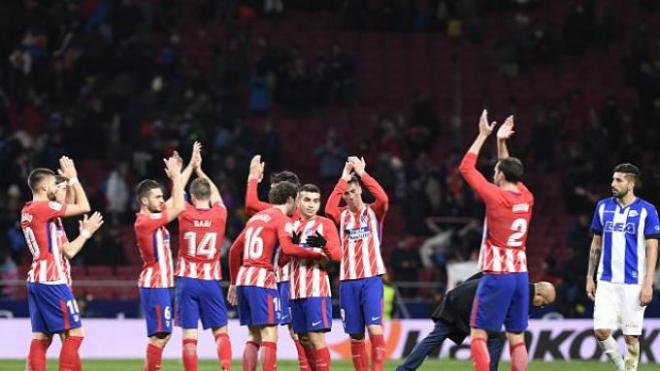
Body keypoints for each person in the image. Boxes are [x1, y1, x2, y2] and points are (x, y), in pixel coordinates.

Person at [458, 112, 534, 371]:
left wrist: (483, 135)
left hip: (497, 275)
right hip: (520, 275)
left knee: (479, 332)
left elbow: (466, 168)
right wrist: (502, 143)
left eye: (495, 171)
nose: (493, 173)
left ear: (500, 176)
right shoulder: (527, 196)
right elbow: (510, 168)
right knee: (517, 336)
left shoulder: (495, 196)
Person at [227, 181, 328, 371]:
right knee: (269, 334)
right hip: (262, 279)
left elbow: (234, 250)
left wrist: (233, 282)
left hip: (243, 280)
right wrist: (317, 254)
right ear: (290, 199)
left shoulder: (255, 219)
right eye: (297, 200)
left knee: (254, 336)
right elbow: (289, 249)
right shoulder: (282, 220)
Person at [21, 156, 103, 371]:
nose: (60, 188)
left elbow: (69, 251)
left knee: (42, 337)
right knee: (75, 334)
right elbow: (84, 205)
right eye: (55, 184)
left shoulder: (34, 212)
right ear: (45, 186)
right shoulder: (43, 209)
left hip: (37, 279)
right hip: (51, 279)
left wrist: (85, 233)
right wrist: (74, 179)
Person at [396, 275, 556, 371]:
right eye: (544, 302)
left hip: (459, 296)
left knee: (434, 338)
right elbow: (514, 331)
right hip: (470, 303)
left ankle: (404, 370)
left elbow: (481, 274)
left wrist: (465, 290)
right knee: (496, 338)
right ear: (539, 293)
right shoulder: (524, 296)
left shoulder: (516, 279)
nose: (541, 306)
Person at [586, 163, 660, 371]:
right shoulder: (602, 206)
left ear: (631, 183)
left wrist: (648, 284)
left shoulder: (647, 210)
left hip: (634, 282)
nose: (613, 184)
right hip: (606, 280)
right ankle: (622, 367)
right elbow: (596, 244)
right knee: (601, 331)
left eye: (618, 180)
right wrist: (589, 277)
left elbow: (652, 248)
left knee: (631, 337)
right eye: (612, 179)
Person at [245, 154, 311, 370]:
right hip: (275, 279)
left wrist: (253, 178)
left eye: (276, 189)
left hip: (290, 279)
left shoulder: (289, 215)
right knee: (292, 332)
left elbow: (251, 203)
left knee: (293, 331)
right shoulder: (286, 214)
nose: (273, 194)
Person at [325, 156, 389, 371]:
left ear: (360, 190)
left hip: (371, 278)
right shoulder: (341, 215)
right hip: (347, 281)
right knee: (355, 334)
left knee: (374, 327)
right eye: (346, 194)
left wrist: (362, 173)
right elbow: (328, 209)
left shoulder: (374, 212)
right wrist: (342, 179)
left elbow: (383, 198)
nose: (350, 197)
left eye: (353, 191)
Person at [174, 143, 232, 371]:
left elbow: (178, 191)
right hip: (210, 281)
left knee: (189, 337)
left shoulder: (183, 211)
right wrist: (200, 170)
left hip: (186, 281)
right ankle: (226, 367)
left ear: (193, 196)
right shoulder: (220, 214)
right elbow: (217, 196)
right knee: (221, 332)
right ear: (208, 194)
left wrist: (187, 167)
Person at [134, 149, 188, 371]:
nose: (161, 199)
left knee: (163, 337)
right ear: (145, 200)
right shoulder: (145, 221)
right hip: (155, 282)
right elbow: (180, 206)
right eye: (157, 197)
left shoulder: (154, 217)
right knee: (160, 336)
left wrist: (187, 169)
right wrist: (175, 177)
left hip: (164, 283)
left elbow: (178, 198)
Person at [288, 183, 342, 371]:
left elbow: (337, 255)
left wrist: (324, 244)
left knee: (316, 337)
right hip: (295, 291)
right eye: (307, 200)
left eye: (316, 201)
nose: (311, 205)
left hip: (316, 290)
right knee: (303, 338)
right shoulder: (291, 225)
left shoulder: (325, 224)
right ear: (298, 201)